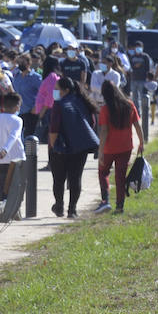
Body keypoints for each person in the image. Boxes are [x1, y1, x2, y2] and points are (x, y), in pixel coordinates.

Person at [47, 76, 99, 218]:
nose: (54, 91)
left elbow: (54, 128)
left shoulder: (59, 104)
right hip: (80, 146)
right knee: (75, 178)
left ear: (65, 90)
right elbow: (92, 123)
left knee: (58, 179)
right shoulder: (84, 102)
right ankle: (72, 210)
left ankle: (59, 206)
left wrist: (53, 146)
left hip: (60, 147)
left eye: (57, 89)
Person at [96, 79, 143, 213]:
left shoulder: (105, 109)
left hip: (109, 148)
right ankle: (119, 206)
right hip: (125, 147)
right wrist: (141, 142)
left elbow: (104, 131)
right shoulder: (129, 105)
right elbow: (137, 125)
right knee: (120, 176)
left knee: (103, 172)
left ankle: (105, 201)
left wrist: (100, 151)